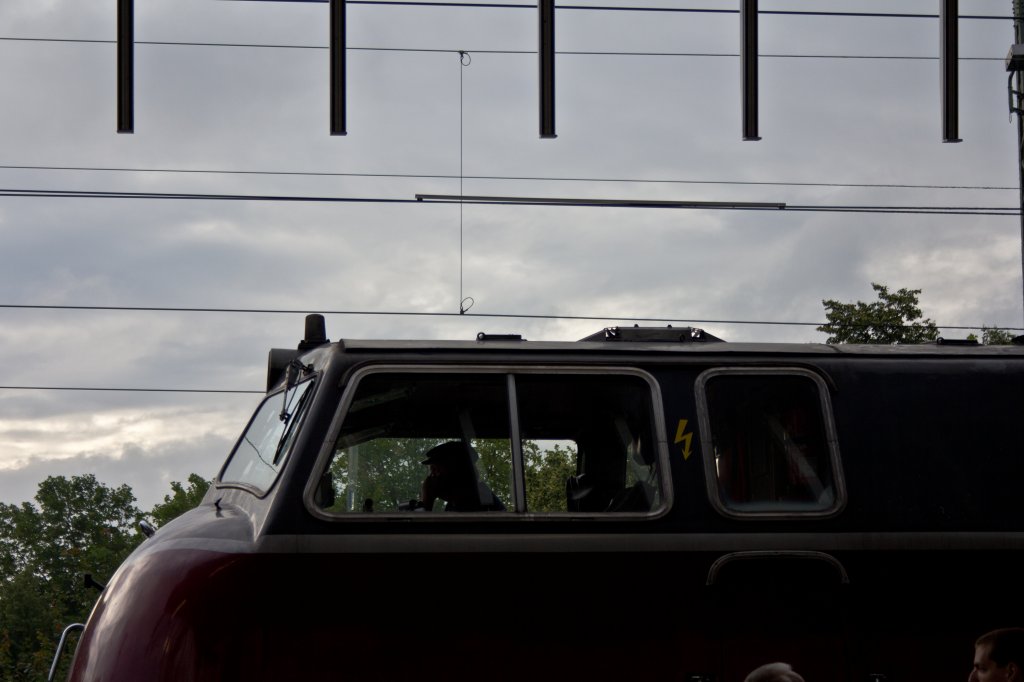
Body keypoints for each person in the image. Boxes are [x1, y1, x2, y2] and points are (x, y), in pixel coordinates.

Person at [418, 441, 505, 512]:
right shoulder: (457, 502)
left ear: (455, 471)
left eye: (435, 470)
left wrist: (427, 503)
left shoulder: (474, 503)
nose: (430, 478)